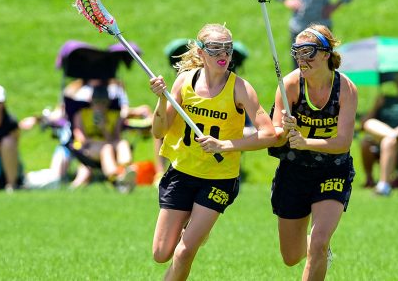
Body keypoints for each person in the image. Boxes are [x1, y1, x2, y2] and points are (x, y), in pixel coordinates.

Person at [149, 23, 276, 280]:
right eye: (215, 48)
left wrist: (226, 145)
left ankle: (197, 228)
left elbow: (270, 134)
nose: (223, 55)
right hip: (182, 173)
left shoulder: (240, 88)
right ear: (201, 51)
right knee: (161, 254)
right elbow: (158, 131)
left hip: (219, 179)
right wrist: (162, 98)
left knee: (184, 252)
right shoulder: (184, 81)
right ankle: (197, 226)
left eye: (227, 49)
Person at [269, 24, 357, 280]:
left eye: (308, 52)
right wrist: (284, 131)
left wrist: (305, 141)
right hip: (294, 170)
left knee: (318, 242)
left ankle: (320, 246)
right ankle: (319, 247)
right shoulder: (290, 85)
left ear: (326, 54)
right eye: (297, 52)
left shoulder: (346, 89)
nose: (301, 59)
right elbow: (275, 138)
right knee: (291, 257)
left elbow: (342, 142)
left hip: (333, 169)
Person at [269, 0, 358, 69]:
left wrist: (336, 6)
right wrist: (286, 0)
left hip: (322, 28)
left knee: (324, 67)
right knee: (299, 69)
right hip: (299, 27)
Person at [70, 85, 135, 192]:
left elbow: (116, 138)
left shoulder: (115, 116)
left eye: (103, 102)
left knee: (122, 143)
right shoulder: (81, 114)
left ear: (108, 102)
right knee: (106, 148)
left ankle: (127, 169)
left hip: (110, 143)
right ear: (91, 101)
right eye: (96, 102)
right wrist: (99, 140)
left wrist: (103, 127)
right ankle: (116, 178)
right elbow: (81, 138)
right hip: (88, 148)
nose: (100, 106)